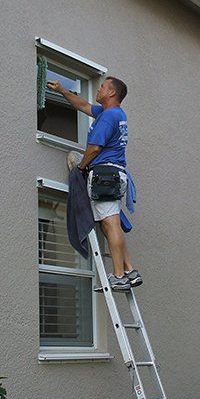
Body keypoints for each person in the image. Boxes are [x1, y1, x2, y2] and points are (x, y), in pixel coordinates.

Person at [46, 76, 141, 292]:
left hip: (105, 175)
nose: (98, 90)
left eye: (103, 87)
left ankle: (119, 276)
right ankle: (129, 271)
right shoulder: (114, 113)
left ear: (112, 93)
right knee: (112, 224)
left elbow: (95, 148)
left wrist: (81, 167)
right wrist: (62, 90)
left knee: (110, 224)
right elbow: (84, 106)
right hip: (114, 174)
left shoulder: (108, 117)